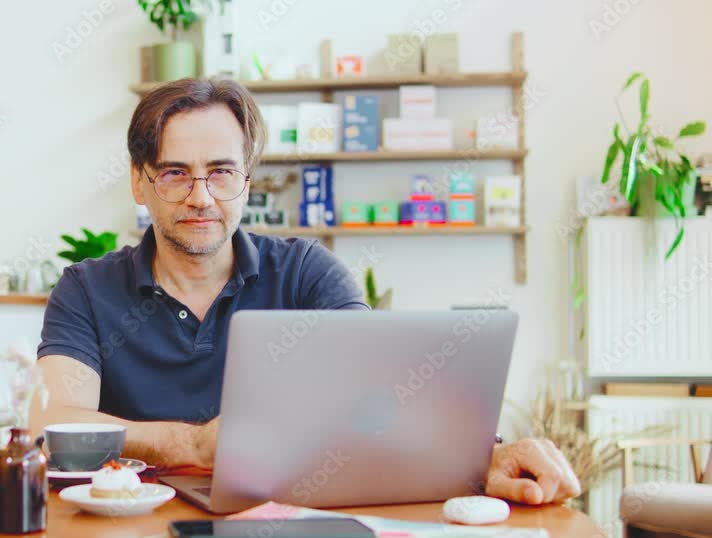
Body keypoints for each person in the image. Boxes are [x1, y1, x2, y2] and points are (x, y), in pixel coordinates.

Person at [31, 79, 580, 505]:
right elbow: (54, 421)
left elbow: (384, 397)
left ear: (246, 180)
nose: (201, 197)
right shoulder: (87, 288)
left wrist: (490, 456)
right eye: (175, 173)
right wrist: (191, 445)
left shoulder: (307, 273)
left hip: (281, 521)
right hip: (128, 529)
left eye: (221, 172)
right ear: (139, 181)